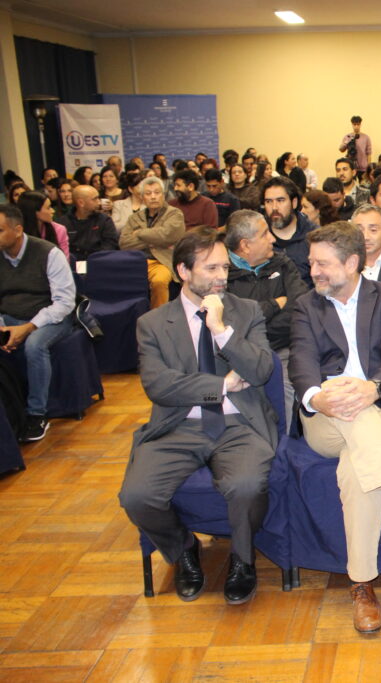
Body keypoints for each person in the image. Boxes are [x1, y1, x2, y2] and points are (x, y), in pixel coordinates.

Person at [119, 228, 277, 606]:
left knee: (246, 485)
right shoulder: (153, 324)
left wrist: (221, 332)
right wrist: (220, 386)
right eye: (211, 268)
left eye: (225, 267)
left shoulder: (246, 311)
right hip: (178, 425)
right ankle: (183, 548)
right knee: (136, 496)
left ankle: (243, 560)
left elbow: (260, 370)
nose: (222, 276)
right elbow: (159, 385)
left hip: (239, 424)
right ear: (183, 271)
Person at [290, 221, 381, 633]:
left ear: (352, 263)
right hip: (324, 418)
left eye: (322, 263)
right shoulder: (306, 306)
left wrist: (372, 388)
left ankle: (362, 585)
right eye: (311, 262)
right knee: (343, 399)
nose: (313, 271)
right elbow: (300, 361)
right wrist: (316, 397)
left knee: (355, 467)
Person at [0, 204, 75, 442]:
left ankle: (36, 413)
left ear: (17, 230)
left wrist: (28, 327)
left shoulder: (48, 253)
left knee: (34, 345)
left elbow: (64, 303)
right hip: (9, 317)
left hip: (51, 318)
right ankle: (10, 408)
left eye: (0, 230)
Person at [225, 210, 307, 424]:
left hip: (282, 350)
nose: (272, 239)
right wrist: (274, 305)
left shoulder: (282, 263)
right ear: (245, 245)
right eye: (264, 234)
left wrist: (253, 326)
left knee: (288, 391)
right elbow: (229, 323)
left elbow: (299, 310)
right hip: (236, 357)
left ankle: (285, 442)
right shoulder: (221, 273)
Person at [120, 177, 187, 309]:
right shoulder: (135, 218)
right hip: (137, 261)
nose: (153, 197)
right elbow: (124, 243)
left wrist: (139, 233)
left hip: (162, 261)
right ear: (142, 197)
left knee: (159, 281)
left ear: (163, 195)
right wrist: (154, 241)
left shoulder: (174, 214)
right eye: (148, 193)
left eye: (157, 192)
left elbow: (167, 235)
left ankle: (158, 315)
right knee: (119, 279)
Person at [263, 177, 314, 287]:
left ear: (294, 203)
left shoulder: (314, 236)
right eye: (268, 201)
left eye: (280, 200)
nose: (274, 207)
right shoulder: (257, 237)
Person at [64, 185, 119, 260]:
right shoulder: (63, 223)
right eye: (95, 199)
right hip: (73, 263)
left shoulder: (104, 220)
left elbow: (110, 245)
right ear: (81, 203)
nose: (99, 202)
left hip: (99, 261)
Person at [16, 192, 70, 259]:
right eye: (48, 208)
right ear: (35, 212)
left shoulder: (59, 230)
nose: (53, 211)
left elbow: (64, 260)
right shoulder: (18, 233)